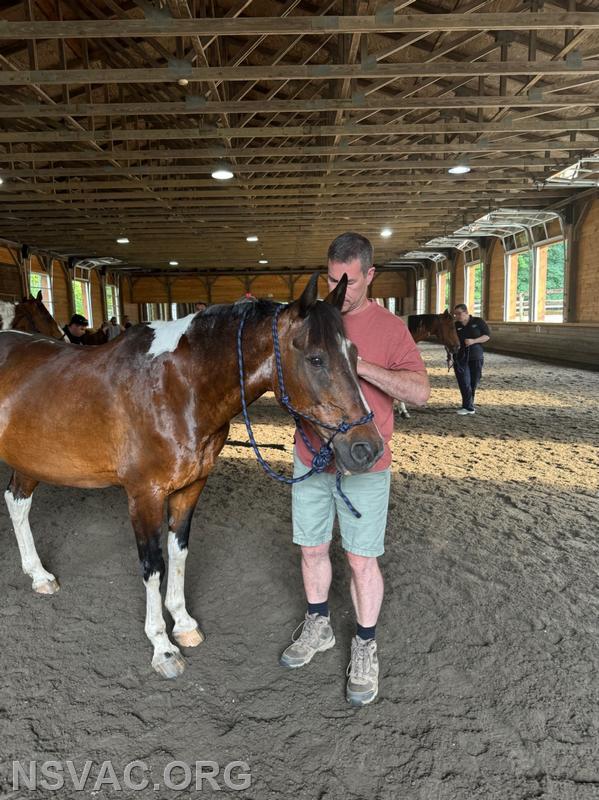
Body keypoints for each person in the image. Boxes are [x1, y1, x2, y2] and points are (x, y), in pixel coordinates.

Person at [279, 232, 430, 706]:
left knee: (362, 559)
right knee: (311, 550)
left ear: (370, 275)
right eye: (331, 279)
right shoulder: (309, 322)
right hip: (312, 459)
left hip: (366, 462)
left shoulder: (389, 328)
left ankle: (365, 645)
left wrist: (360, 367)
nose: (340, 290)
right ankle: (319, 624)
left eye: (351, 281)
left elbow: (420, 393)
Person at [452, 303, 491, 415]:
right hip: (460, 357)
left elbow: (487, 336)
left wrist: (474, 341)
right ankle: (468, 407)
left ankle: (469, 404)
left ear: (466, 312)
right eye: (455, 314)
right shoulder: (455, 326)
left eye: (459, 314)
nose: (457, 316)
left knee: (474, 381)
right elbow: (450, 341)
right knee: (464, 381)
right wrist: (449, 356)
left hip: (476, 356)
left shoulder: (478, 322)